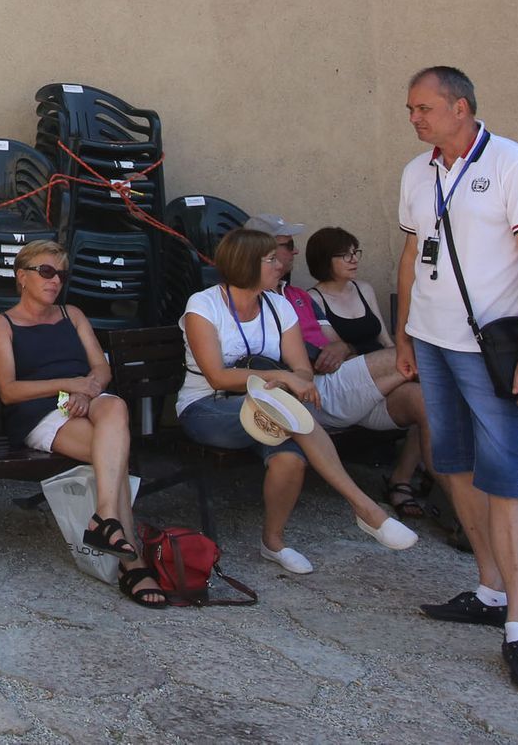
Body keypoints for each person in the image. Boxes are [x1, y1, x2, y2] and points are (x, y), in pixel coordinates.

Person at [395, 66, 518, 696]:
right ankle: (490, 587)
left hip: (488, 347)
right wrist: (404, 332)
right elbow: (412, 254)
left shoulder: (513, 163)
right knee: (452, 462)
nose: (415, 118)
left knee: (506, 476)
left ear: (461, 107)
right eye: (410, 109)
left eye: (425, 107)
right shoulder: (417, 172)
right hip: (432, 340)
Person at [176, 228, 418, 575]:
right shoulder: (204, 304)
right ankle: (366, 509)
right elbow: (217, 376)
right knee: (293, 419)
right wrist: (285, 379)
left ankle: (273, 542)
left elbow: (302, 369)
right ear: (246, 264)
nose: (281, 265)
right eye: (271, 259)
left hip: (271, 408)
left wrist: (294, 380)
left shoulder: (278, 305)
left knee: (290, 458)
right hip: (209, 406)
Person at [0, 239, 162, 607]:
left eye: (61, 274)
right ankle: (132, 562)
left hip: (87, 401)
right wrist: (69, 384)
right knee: (114, 456)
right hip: (40, 412)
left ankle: (105, 517)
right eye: (45, 272)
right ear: (21, 276)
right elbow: (9, 391)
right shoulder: (2, 325)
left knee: (115, 412)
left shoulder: (73, 316)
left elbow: (100, 367)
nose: (55, 281)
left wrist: (88, 390)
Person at [298, 226, 436, 518]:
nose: (353, 259)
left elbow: (387, 340)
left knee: (427, 401)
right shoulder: (314, 299)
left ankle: (400, 480)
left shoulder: (364, 289)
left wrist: (397, 364)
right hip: (350, 385)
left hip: (386, 377)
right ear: (325, 260)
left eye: (355, 252)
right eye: (344, 255)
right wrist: (397, 361)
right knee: (427, 365)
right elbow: (336, 356)